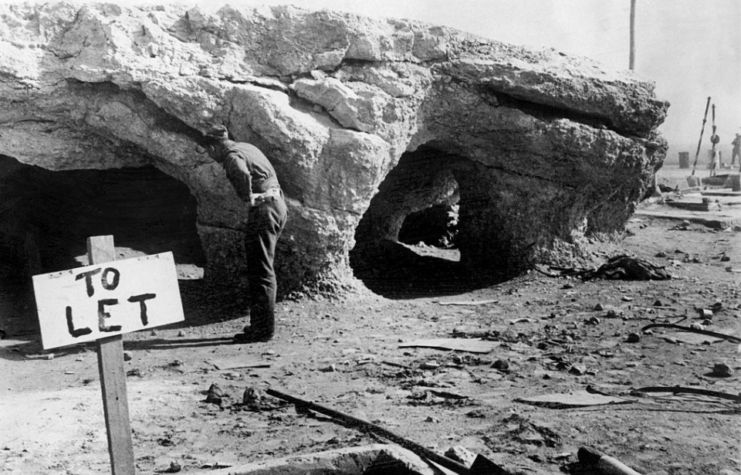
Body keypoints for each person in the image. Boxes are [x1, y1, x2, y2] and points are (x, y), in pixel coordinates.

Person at [201, 125, 287, 343]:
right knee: (263, 268)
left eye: (208, 152)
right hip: (278, 206)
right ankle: (262, 327)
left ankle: (262, 330)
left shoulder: (232, 156)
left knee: (261, 271)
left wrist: (246, 196)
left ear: (213, 147)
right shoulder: (246, 146)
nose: (210, 156)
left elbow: (240, 171)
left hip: (265, 210)